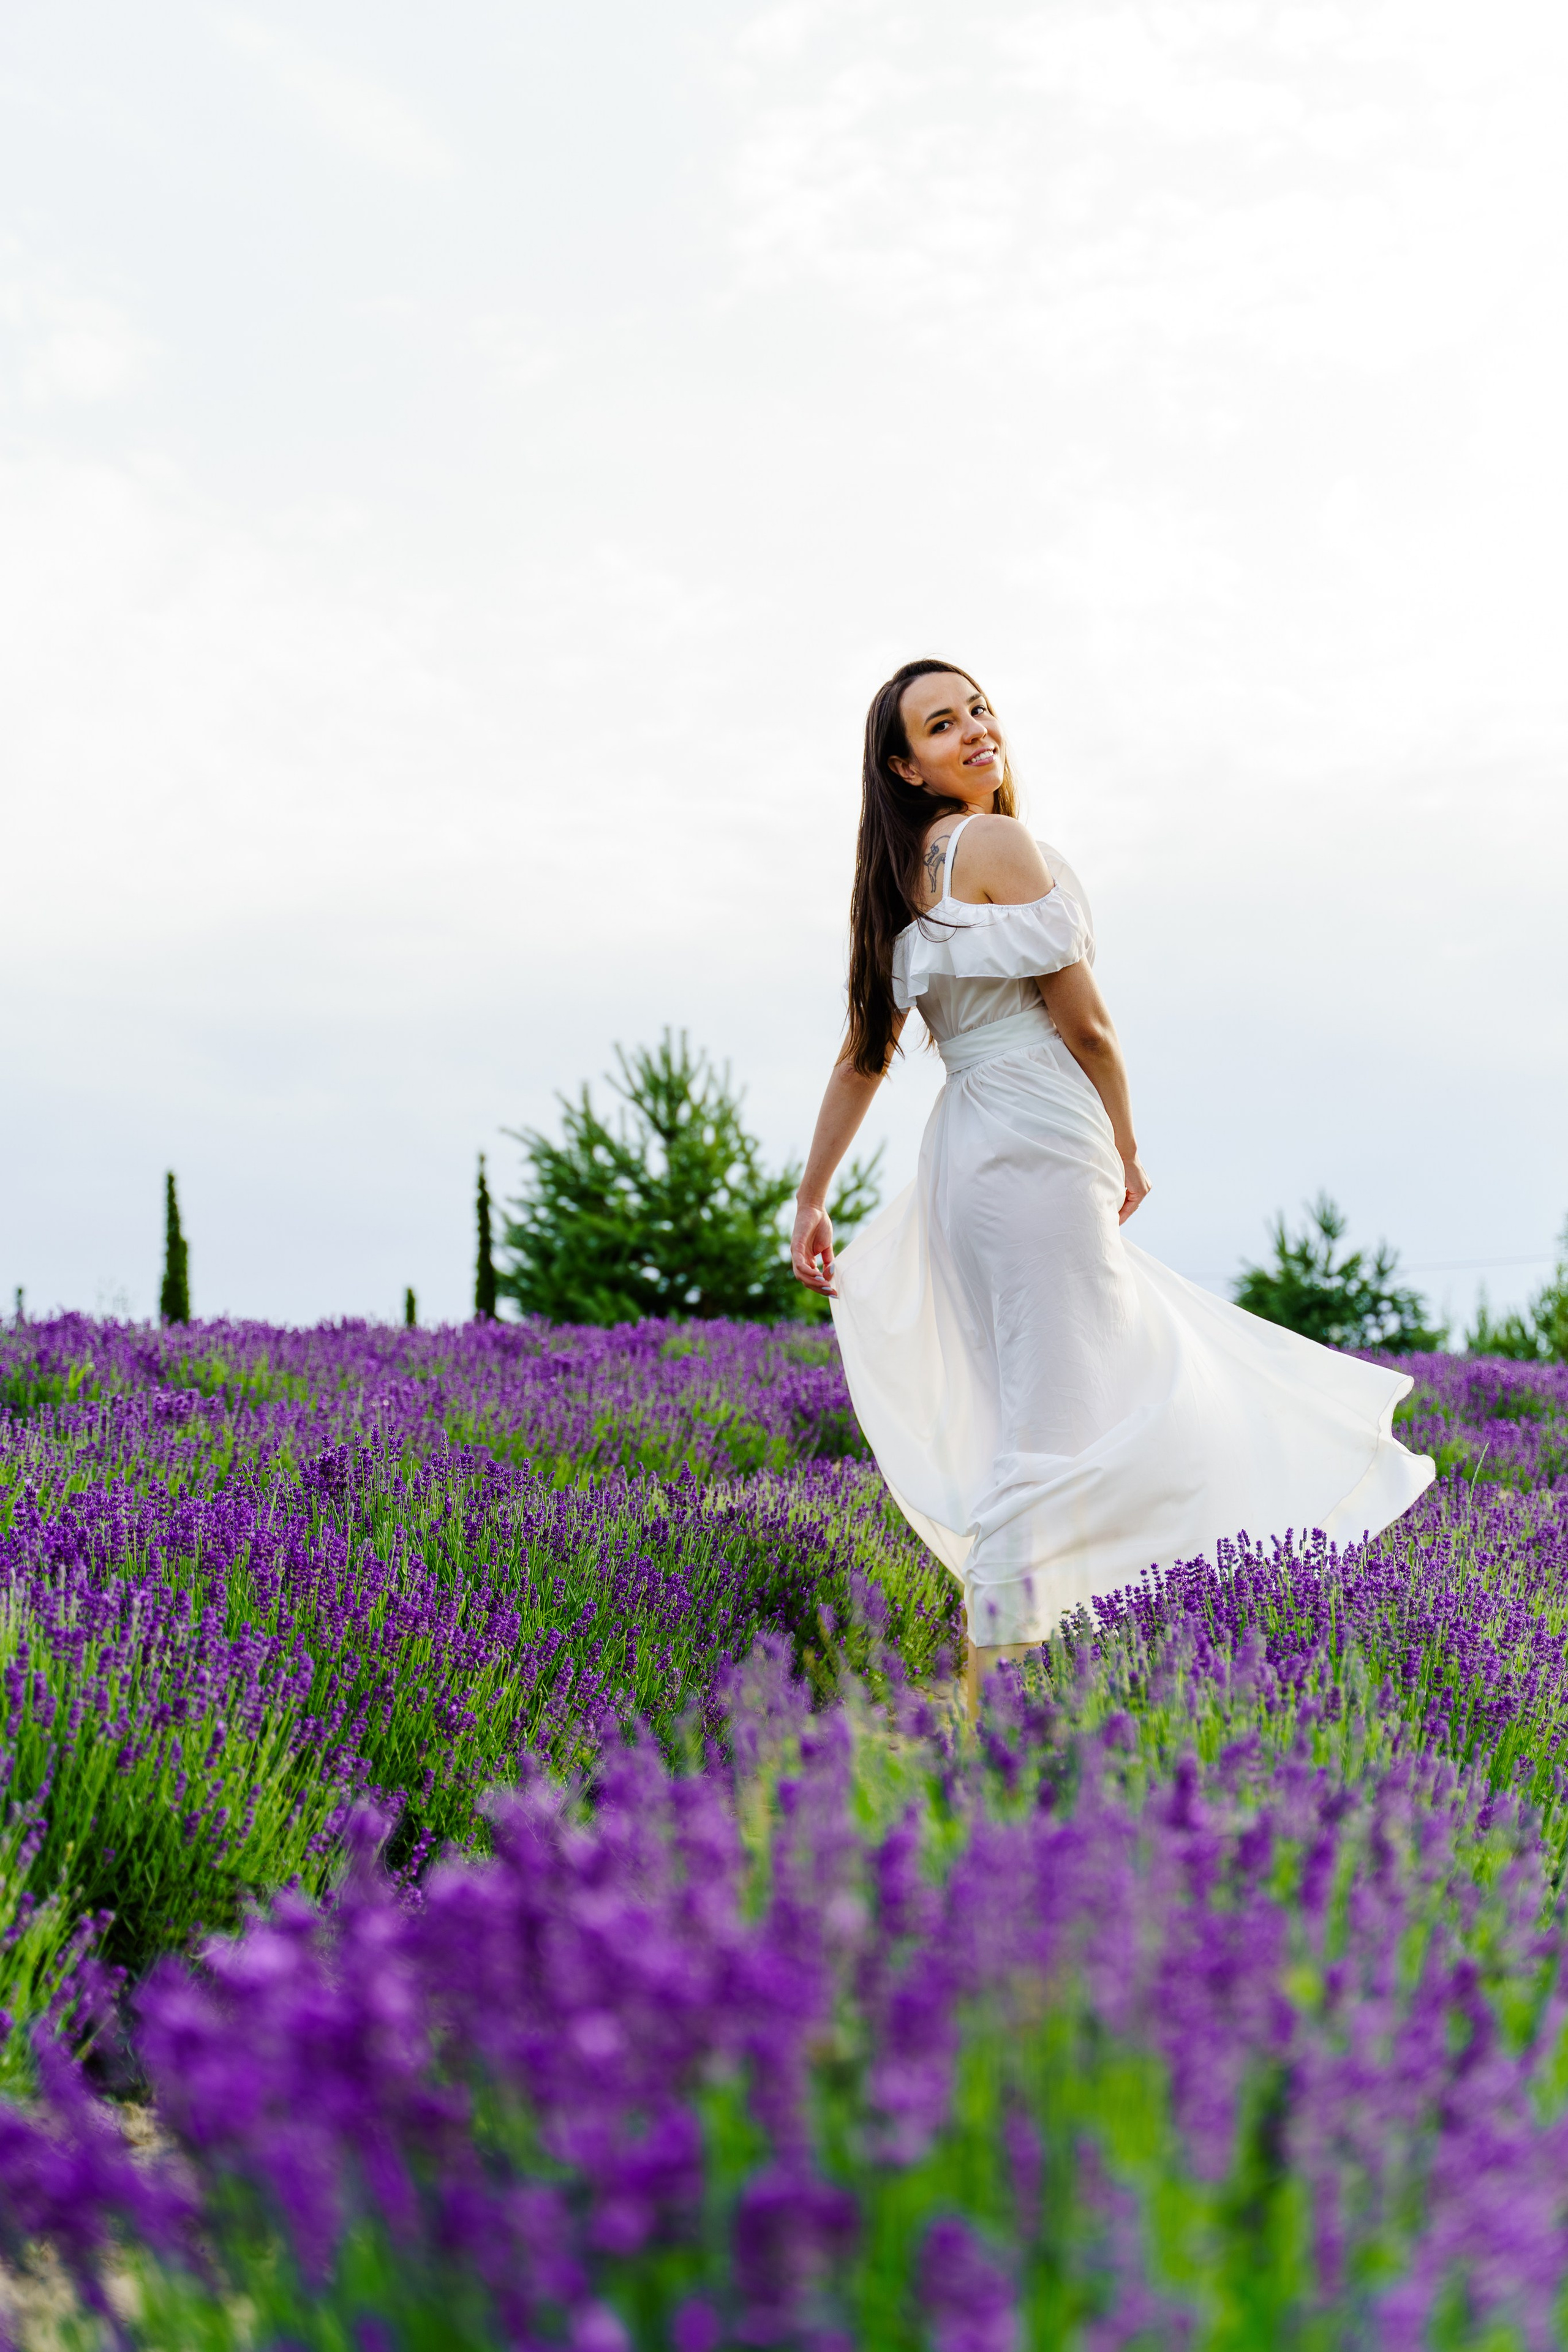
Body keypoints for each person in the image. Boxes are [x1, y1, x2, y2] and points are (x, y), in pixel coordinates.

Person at [791, 658, 1434, 1709]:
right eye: (943, 726)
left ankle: (1042, 1657)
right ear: (907, 766)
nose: (976, 731)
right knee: (1056, 1422)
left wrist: (812, 1197)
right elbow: (1086, 1024)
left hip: (965, 1152)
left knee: (1060, 1398)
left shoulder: (904, 879)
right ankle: (995, 1687)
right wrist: (1129, 1144)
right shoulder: (998, 842)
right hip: (1037, 1142)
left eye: (980, 709)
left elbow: (864, 1056)